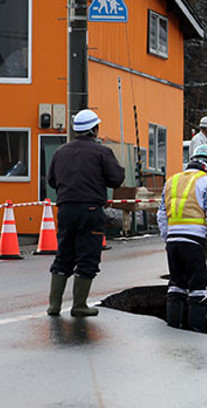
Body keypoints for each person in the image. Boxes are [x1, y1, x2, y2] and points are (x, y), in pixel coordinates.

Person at [46, 109, 126, 317]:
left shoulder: (60, 151)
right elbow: (116, 179)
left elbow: (52, 181)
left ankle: (54, 305)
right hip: (90, 210)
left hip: (65, 209)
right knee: (88, 256)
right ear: (94, 130)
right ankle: (79, 305)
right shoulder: (101, 152)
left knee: (64, 255)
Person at [157, 144, 207, 332]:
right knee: (200, 287)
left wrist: (168, 238)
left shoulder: (172, 180)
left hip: (173, 241)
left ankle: (174, 327)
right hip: (195, 241)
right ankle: (195, 332)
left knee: (176, 285)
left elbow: (161, 215)